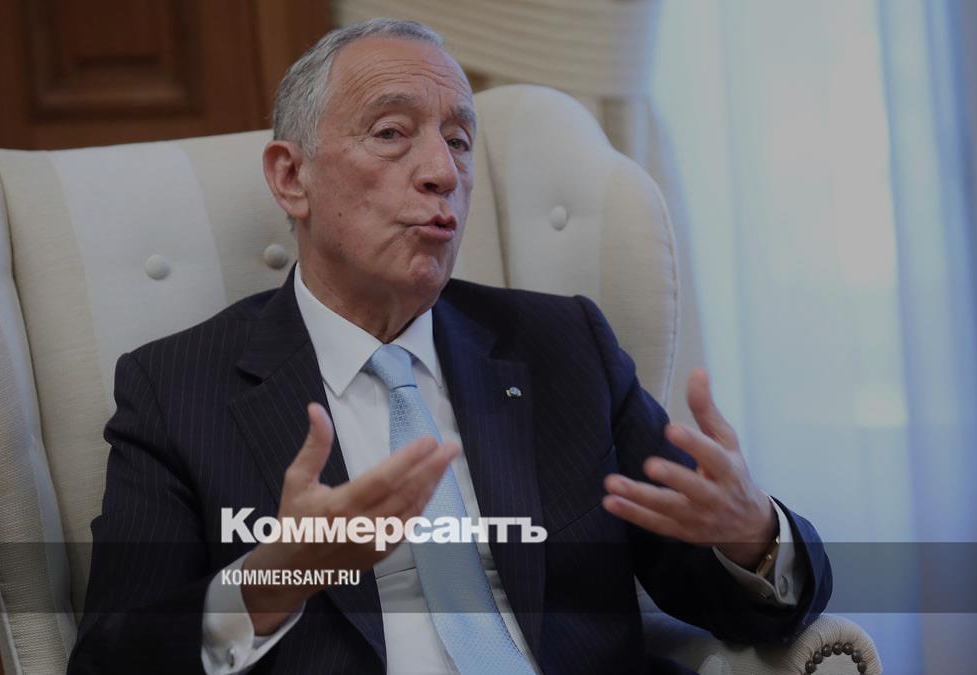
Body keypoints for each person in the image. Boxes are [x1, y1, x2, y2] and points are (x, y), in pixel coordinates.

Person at [67, 18, 830, 675]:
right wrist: (277, 576)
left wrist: (754, 535)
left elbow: (734, 600)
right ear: (291, 178)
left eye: (459, 141)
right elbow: (110, 657)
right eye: (391, 134)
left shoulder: (563, 347)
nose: (442, 172)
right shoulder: (177, 389)